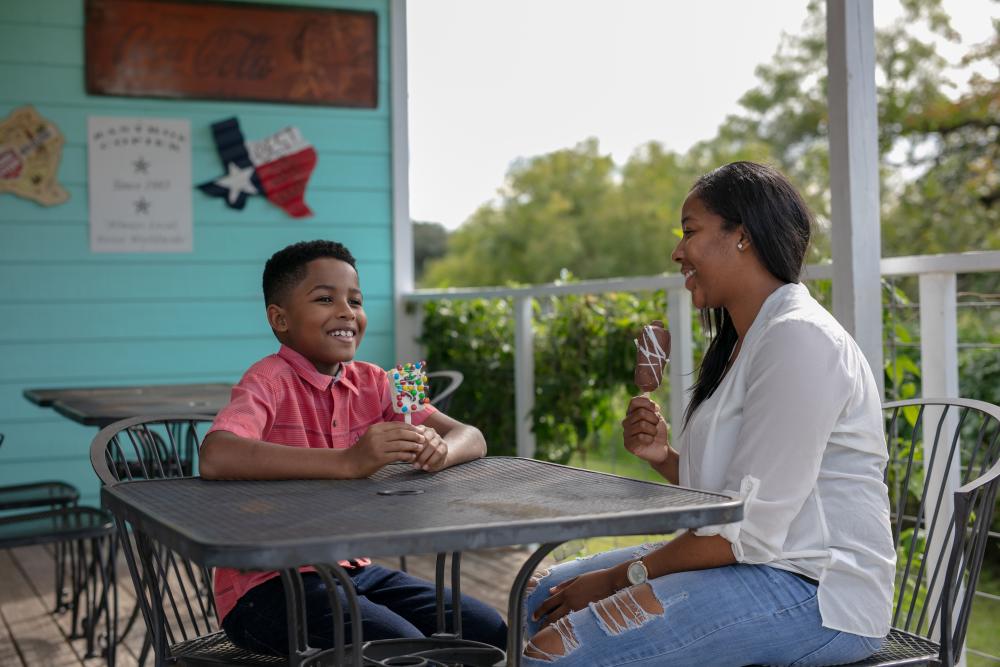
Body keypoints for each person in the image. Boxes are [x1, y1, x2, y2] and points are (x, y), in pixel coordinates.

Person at [522, 162, 895, 666]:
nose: (678, 252)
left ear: (742, 236)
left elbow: (745, 529)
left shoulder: (799, 339)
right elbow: (735, 496)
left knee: (554, 650)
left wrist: (616, 579)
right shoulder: (747, 342)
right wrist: (662, 457)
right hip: (754, 562)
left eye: (690, 231)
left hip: (816, 593)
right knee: (542, 597)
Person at [198, 239, 507, 656]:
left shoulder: (382, 378)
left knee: (488, 629)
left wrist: (442, 450)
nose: (346, 312)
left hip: (353, 568)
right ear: (280, 319)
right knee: (405, 649)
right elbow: (216, 455)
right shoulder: (266, 379)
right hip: (268, 586)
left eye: (355, 301)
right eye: (325, 299)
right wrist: (348, 461)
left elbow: (473, 436)